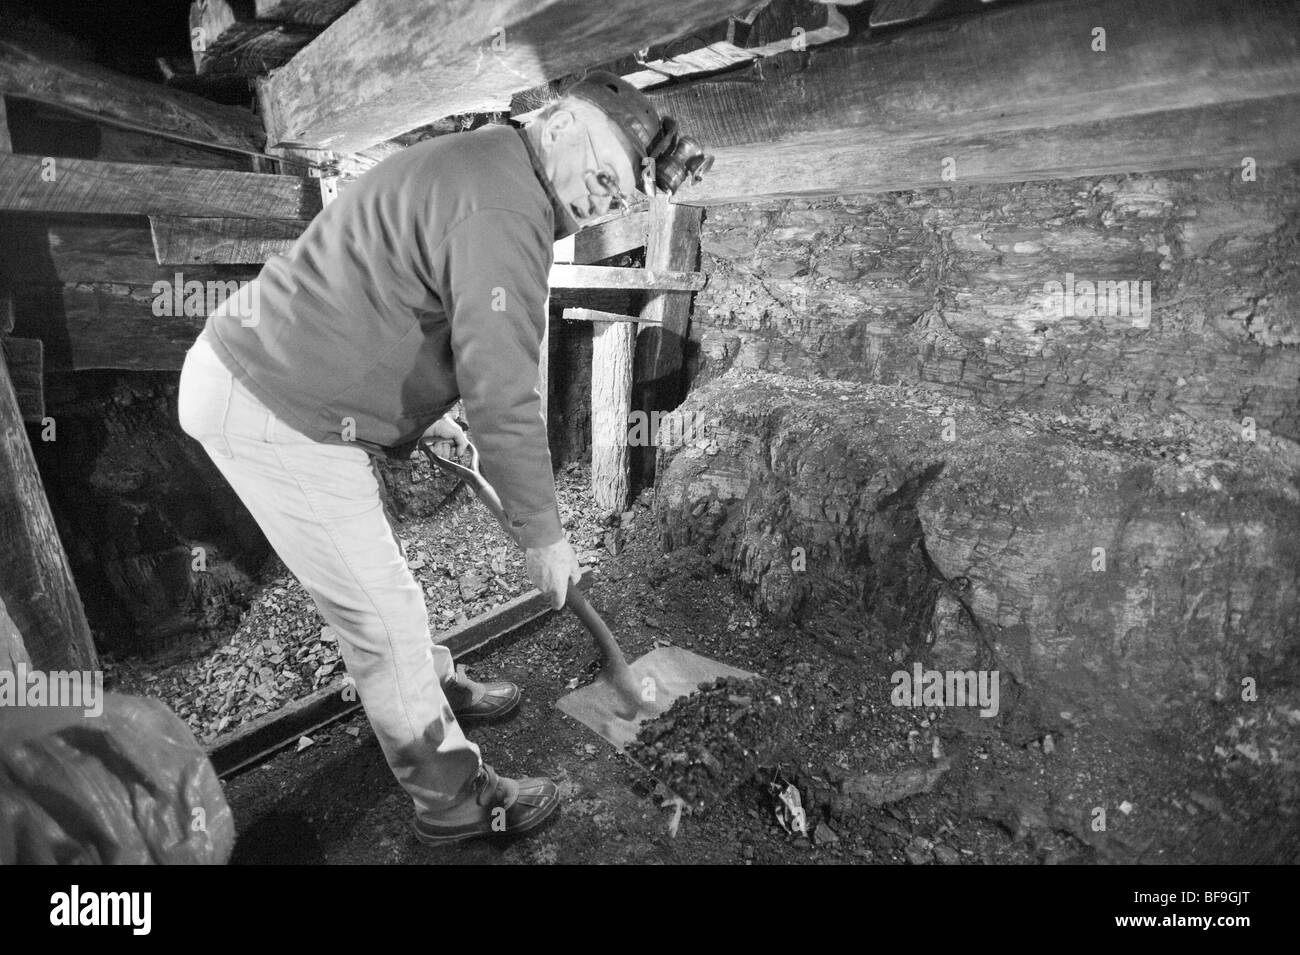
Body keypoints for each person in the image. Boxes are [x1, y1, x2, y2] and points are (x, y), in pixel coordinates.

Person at [177, 71, 710, 846]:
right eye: (602, 179)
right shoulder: (506, 205)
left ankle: (429, 685)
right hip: (270, 401)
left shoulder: (491, 165)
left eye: (621, 198)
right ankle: (456, 801)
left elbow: (416, 303)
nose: (605, 203)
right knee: (381, 615)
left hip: (284, 379)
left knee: (382, 576)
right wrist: (541, 531)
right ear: (560, 126)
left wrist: (429, 415)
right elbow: (503, 388)